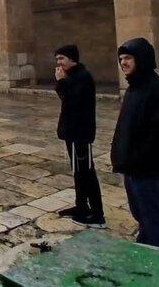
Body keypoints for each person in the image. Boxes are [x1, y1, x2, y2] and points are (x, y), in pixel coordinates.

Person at [111, 38, 159, 249]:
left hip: (148, 170)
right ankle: (145, 245)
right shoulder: (134, 88)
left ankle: (158, 256)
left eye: (128, 58)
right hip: (131, 168)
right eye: (121, 59)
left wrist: (138, 160)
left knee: (154, 217)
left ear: (142, 59)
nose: (123, 63)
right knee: (141, 214)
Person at [53, 45, 105, 229]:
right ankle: (81, 206)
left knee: (86, 172)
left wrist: (60, 82)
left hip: (80, 133)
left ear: (72, 59)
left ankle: (98, 214)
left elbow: (71, 100)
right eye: (57, 59)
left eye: (61, 58)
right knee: (78, 171)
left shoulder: (82, 77)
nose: (58, 62)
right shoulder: (74, 76)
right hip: (73, 132)